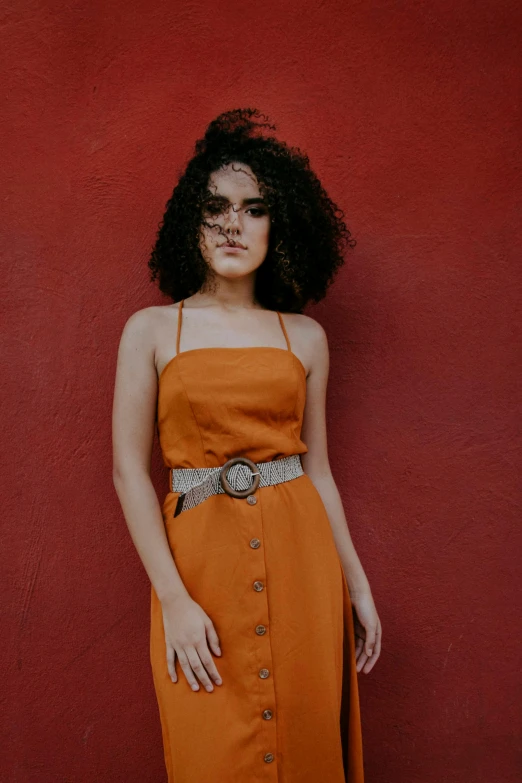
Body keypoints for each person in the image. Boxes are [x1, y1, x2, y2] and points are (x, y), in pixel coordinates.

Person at [112, 108, 381, 783]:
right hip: (200, 572)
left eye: (254, 208)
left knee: (306, 744)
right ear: (190, 221)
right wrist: (173, 597)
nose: (234, 223)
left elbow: (318, 471)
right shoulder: (149, 330)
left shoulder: (306, 338)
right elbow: (127, 471)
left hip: (303, 566)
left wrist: (356, 582)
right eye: (216, 207)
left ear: (279, 224)